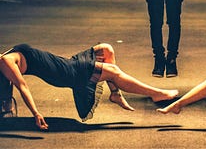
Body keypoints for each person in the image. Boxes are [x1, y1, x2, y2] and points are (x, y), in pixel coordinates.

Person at [0, 43, 178, 130]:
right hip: (69, 74)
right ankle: (156, 93)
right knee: (113, 71)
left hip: (68, 63)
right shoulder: (5, 61)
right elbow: (22, 86)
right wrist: (36, 113)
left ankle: (115, 93)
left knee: (107, 49)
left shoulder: (6, 54)